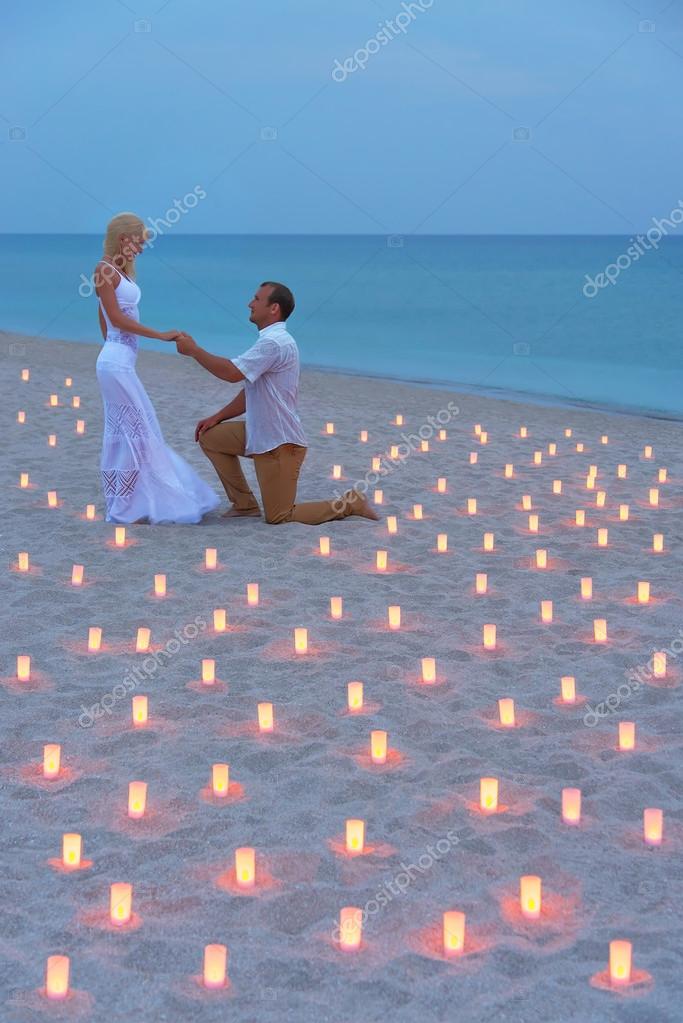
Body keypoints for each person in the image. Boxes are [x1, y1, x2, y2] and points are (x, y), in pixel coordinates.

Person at [175, 281, 379, 525]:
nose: (250, 304)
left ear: (274, 309)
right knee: (210, 436)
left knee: (280, 516)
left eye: (257, 299)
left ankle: (350, 502)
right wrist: (217, 417)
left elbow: (231, 373)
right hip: (260, 435)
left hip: (282, 444)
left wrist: (195, 351)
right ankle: (244, 504)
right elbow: (250, 391)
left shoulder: (274, 343)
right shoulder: (269, 341)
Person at [94, 212, 219, 524]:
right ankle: (125, 506)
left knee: (135, 430)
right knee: (136, 431)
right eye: (138, 241)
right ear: (123, 238)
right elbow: (117, 318)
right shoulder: (103, 269)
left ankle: (131, 504)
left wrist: (113, 342)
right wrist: (159, 335)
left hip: (118, 361)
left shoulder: (119, 273)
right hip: (115, 363)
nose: (141, 247)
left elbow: (106, 317)